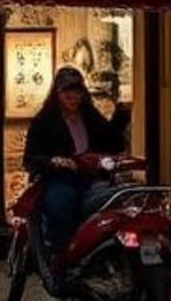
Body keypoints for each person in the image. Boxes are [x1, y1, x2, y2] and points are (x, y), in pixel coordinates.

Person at [23, 66, 127, 284]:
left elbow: (113, 142)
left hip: (89, 178)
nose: (73, 96)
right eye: (67, 91)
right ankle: (59, 261)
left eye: (78, 91)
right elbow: (31, 157)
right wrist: (54, 161)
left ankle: (102, 257)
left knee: (114, 199)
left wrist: (121, 117)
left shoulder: (88, 115)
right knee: (62, 205)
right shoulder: (45, 120)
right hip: (60, 179)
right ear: (57, 93)